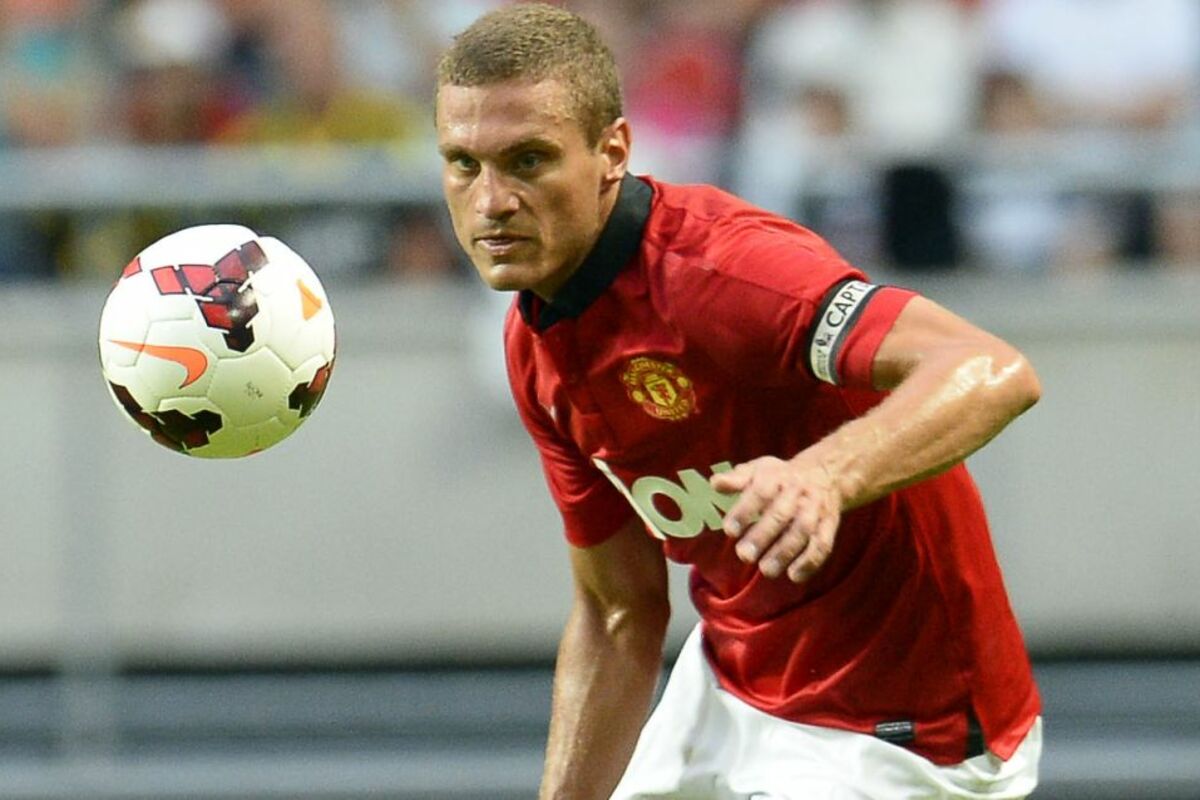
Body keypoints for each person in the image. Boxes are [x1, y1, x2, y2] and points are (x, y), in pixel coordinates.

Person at [434, 4, 1043, 798]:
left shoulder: (726, 274)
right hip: (732, 686)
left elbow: (991, 367)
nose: (491, 201)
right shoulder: (534, 343)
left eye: (528, 160)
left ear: (612, 152)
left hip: (901, 727)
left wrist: (824, 475)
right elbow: (619, 615)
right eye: (463, 164)